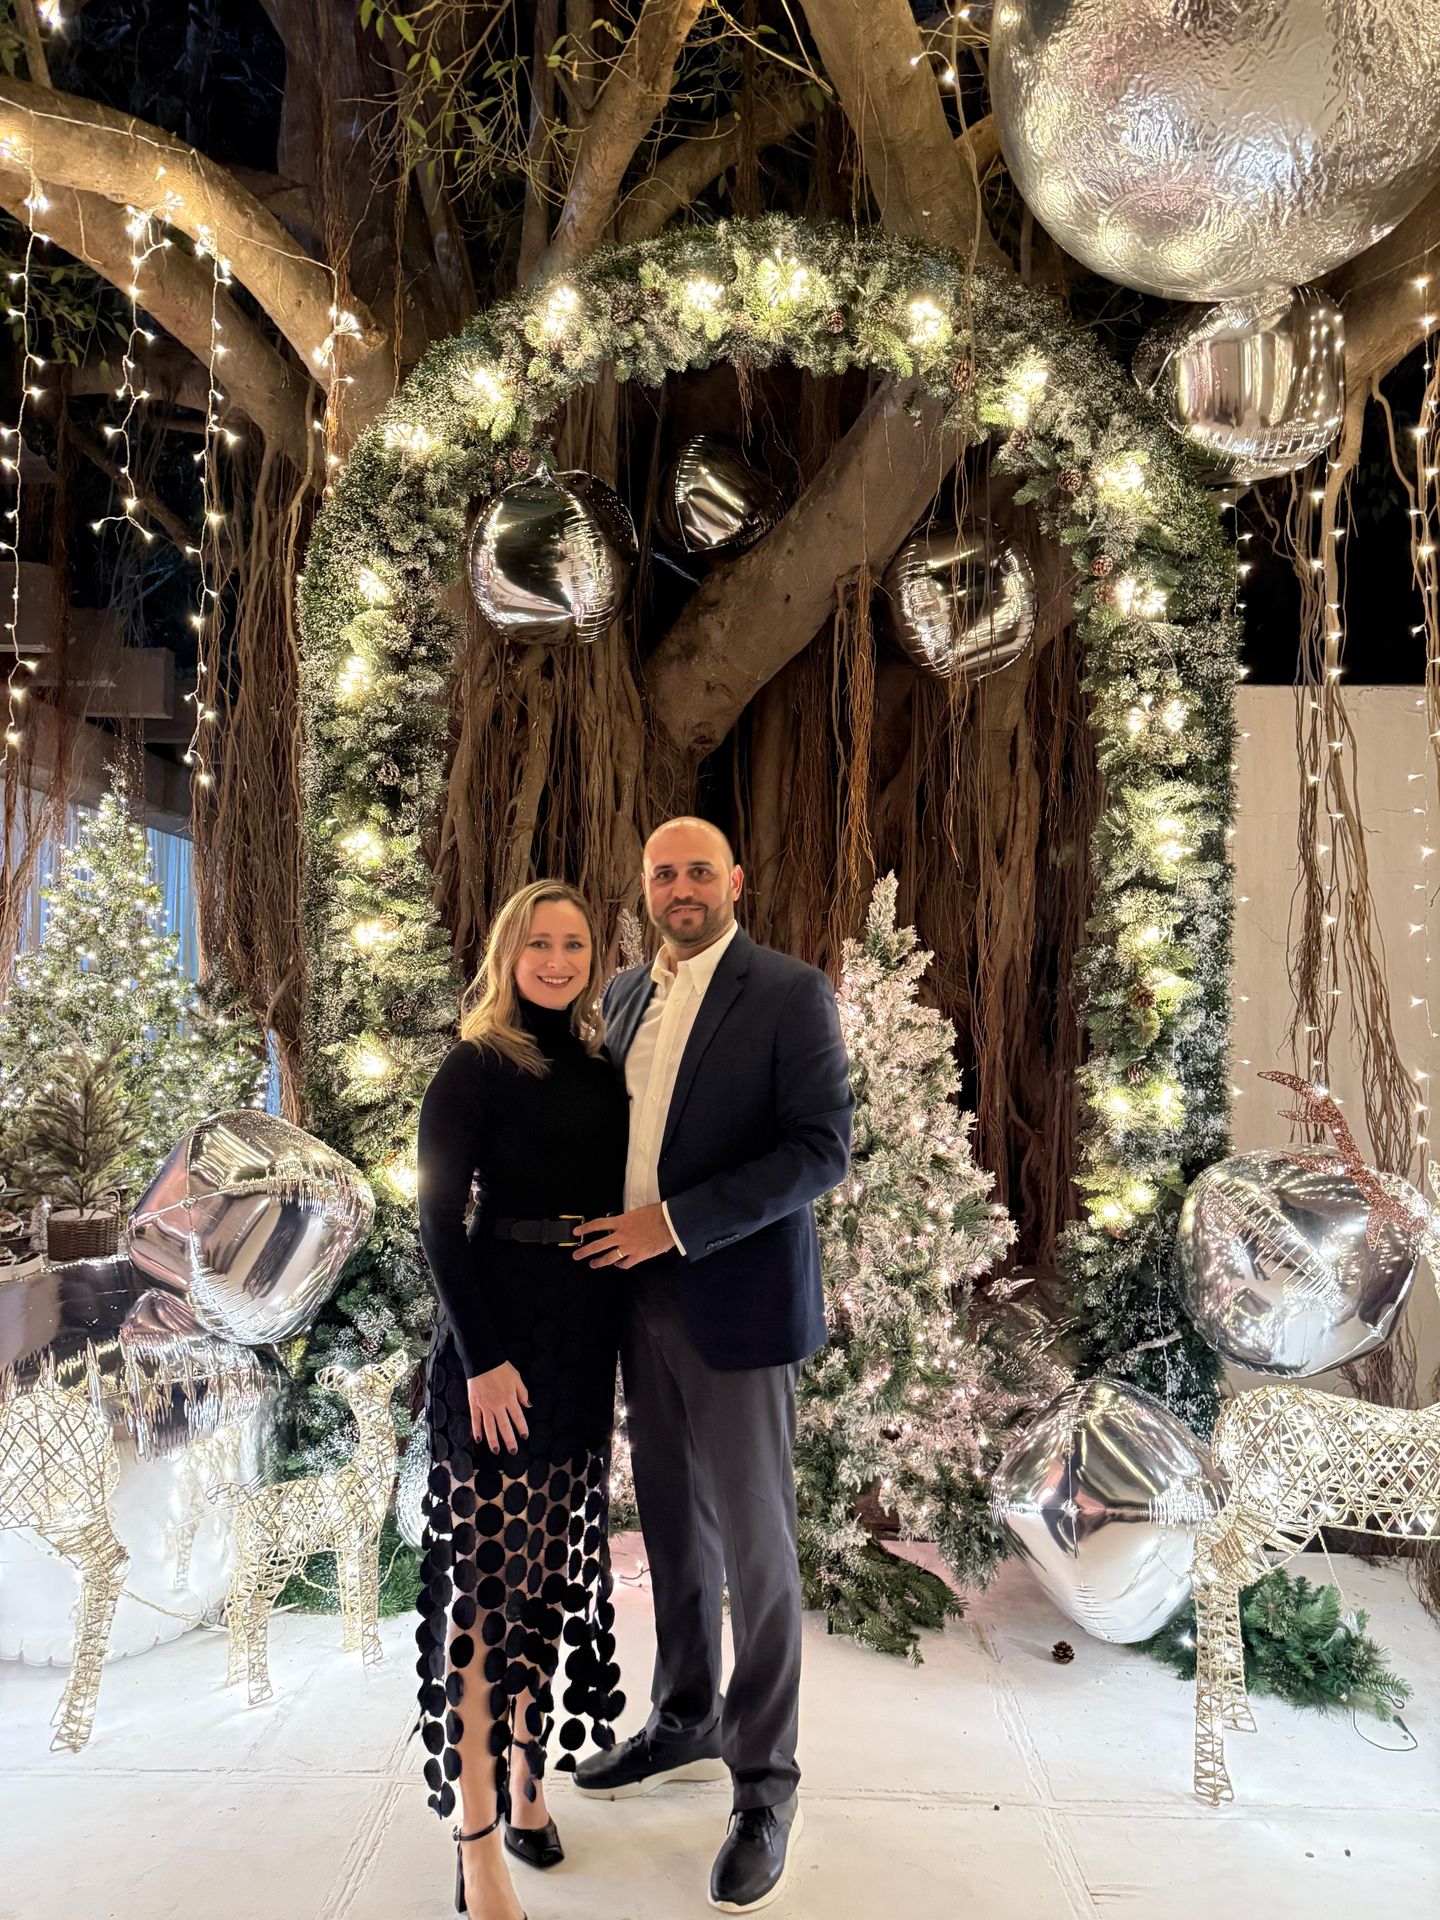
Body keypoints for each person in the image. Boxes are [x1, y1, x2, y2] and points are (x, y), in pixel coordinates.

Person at [570, 817, 853, 1915]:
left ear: (735, 881)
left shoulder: (788, 992)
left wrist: (674, 1224)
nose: (680, 888)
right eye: (662, 874)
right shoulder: (625, 994)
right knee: (672, 1527)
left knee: (757, 1545)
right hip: (633, 1304)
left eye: (698, 871)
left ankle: (766, 1784)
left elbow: (820, 1148)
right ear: (644, 890)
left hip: (732, 1303)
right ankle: (685, 1717)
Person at [414, 880, 629, 1920]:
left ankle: (529, 1782)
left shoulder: (598, 1069)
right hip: (496, 1345)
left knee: (546, 1584)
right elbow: (436, 1222)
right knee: (486, 1601)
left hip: (582, 1344)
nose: (556, 959)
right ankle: (475, 1844)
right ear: (508, 952)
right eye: (538, 942)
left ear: (594, 957)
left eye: (574, 943)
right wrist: (483, 1358)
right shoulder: (474, 1065)